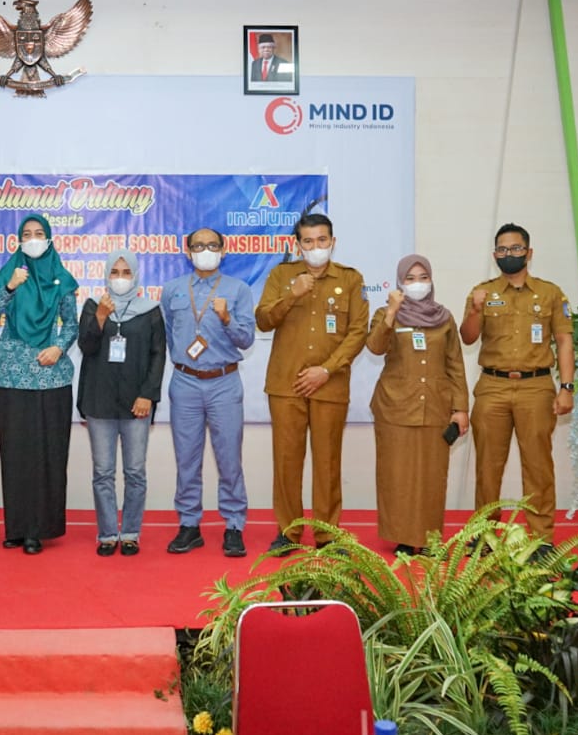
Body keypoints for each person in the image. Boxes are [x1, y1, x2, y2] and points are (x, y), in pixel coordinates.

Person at [255, 213, 368, 551]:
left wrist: (326, 370)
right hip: (285, 385)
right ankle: (288, 533)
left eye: (322, 240)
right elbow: (263, 320)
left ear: (332, 242)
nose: (315, 247)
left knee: (328, 462)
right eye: (308, 241)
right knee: (287, 461)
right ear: (298, 244)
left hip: (329, 385)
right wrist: (291, 295)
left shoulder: (350, 279)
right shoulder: (281, 274)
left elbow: (358, 332)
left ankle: (327, 534)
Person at [460, 223, 574, 553]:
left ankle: (540, 540)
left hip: (536, 386)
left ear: (529, 252)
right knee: (487, 467)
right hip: (492, 386)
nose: (509, 254)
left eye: (516, 249)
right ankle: (485, 535)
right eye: (503, 250)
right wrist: (475, 310)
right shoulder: (482, 292)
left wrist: (566, 387)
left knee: (538, 465)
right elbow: (467, 337)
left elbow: (565, 341)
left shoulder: (551, 293)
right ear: (495, 255)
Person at [0, 214, 78, 555]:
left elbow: (71, 325)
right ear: (19, 240)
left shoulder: (61, 279)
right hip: (11, 375)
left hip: (51, 377)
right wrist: (10, 286)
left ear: (49, 239)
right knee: (16, 452)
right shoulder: (11, 274)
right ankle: (17, 527)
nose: (33, 238)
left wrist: (58, 347)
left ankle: (39, 528)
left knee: (46, 453)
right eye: (27, 234)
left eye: (39, 234)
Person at [161, 228, 255, 557]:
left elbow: (246, 339)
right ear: (187, 252)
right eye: (198, 246)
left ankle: (233, 526)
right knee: (187, 459)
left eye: (212, 245)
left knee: (229, 458)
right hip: (185, 381)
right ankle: (189, 525)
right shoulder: (172, 290)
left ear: (223, 250)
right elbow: (170, 337)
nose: (205, 251)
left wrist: (226, 317)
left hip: (224, 382)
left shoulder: (238, 290)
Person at [367, 254, 469, 555]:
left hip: (436, 407)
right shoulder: (386, 313)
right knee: (396, 475)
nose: (417, 284)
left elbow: (456, 364)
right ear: (399, 282)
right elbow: (374, 347)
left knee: (432, 475)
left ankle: (428, 539)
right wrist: (391, 314)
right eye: (410, 279)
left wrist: (460, 408)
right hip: (395, 407)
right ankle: (403, 538)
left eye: (423, 277)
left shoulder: (444, 317)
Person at [77, 248, 166, 557]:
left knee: (135, 472)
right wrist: (101, 316)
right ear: (105, 275)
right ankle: (107, 534)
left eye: (126, 272)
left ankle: (130, 532)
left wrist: (147, 396)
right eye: (114, 273)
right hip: (99, 401)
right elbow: (86, 347)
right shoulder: (93, 306)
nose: (120, 278)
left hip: (136, 403)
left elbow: (158, 356)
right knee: (102, 471)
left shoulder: (151, 310)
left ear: (136, 276)